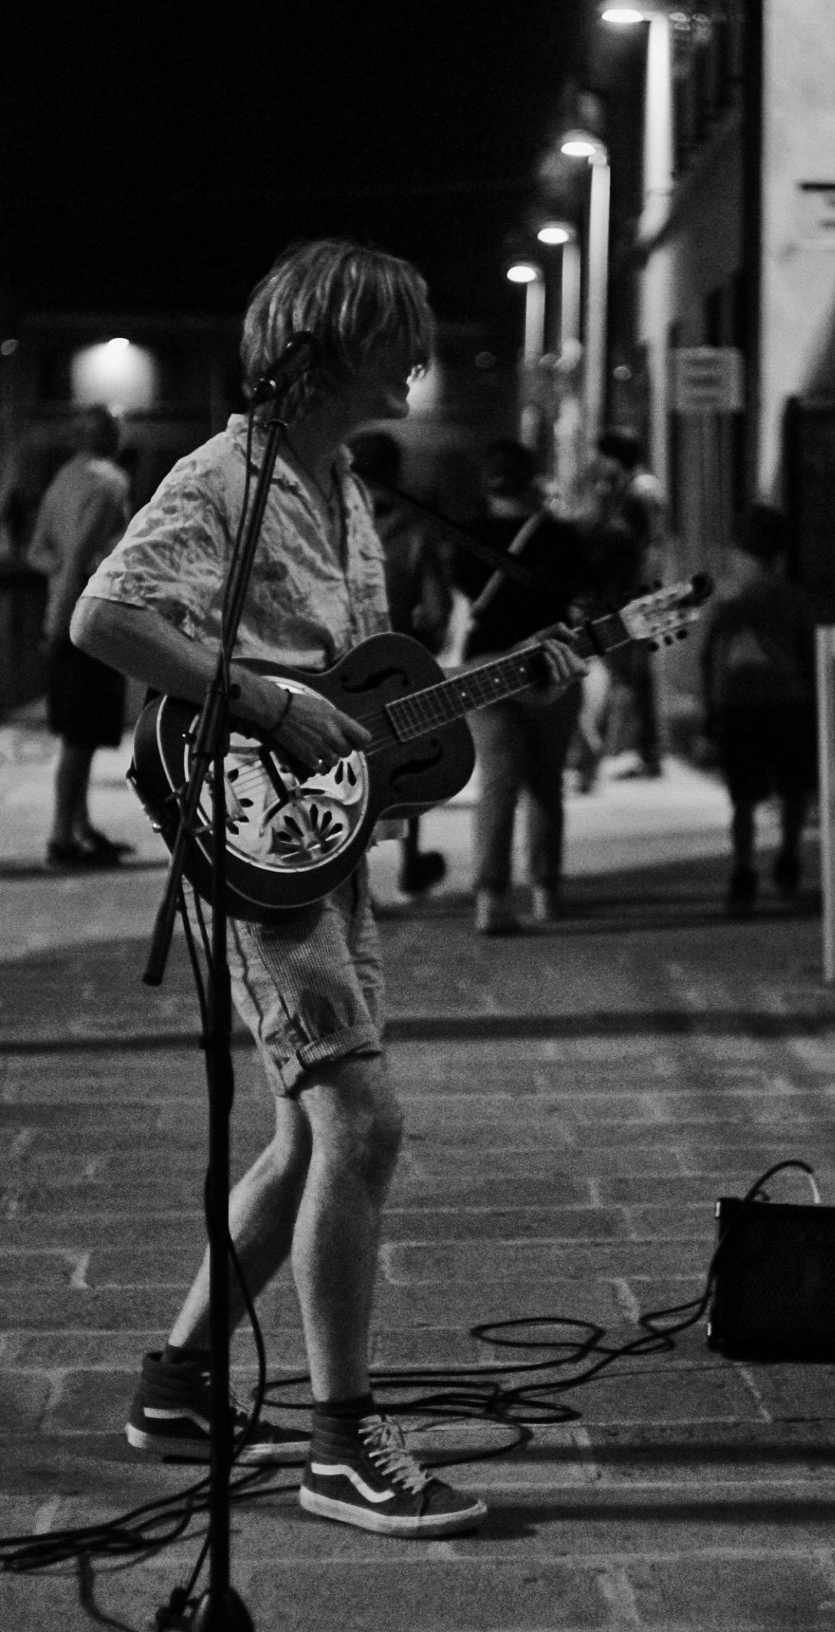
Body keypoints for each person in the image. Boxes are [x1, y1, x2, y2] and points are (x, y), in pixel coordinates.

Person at [70, 238, 585, 1539]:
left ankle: (180, 1383)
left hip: (323, 847)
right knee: (361, 1121)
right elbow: (106, 618)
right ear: (332, 344)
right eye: (398, 334)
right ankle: (340, 1447)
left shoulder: (344, 487)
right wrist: (260, 701)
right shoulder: (225, 479)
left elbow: (356, 695)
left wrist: (499, 680)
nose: (419, 357)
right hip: (255, 852)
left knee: (311, 1135)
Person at [450, 439, 591, 935]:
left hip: (486, 664)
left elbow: (459, 595)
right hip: (550, 662)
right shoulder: (561, 537)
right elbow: (578, 595)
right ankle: (546, 891)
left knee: (498, 781)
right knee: (546, 783)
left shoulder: (465, 536)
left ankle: (491, 899)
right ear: (531, 480)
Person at [25, 404, 134, 868]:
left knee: (78, 731)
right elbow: (77, 559)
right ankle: (61, 836)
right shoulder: (110, 482)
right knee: (82, 735)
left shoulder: (61, 481)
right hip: (91, 619)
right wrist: (70, 605)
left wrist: (58, 599)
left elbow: (38, 553)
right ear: (111, 437)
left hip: (65, 611)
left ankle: (80, 827)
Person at [699, 504, 817, 909]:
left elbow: (711, 658)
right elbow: (808, 653)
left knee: (743, 797)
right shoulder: (794, 598)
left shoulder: (728, 600)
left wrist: (711, 709)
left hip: (740, 703)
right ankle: (788, 858)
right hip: (788, 700)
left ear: (739, 550)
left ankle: (743, 870)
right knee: (793, 789)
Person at [351, 429, 452, 897]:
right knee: (408, 769)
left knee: (347, 774)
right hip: (400, 666)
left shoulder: (331, 524)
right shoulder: (416, 531)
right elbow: (436, 609)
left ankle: (353, 877)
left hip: (338, 667)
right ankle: (411, 867)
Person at [576, 427, 668, 782]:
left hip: (632, 595)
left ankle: (642, 751)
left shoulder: (637, 492)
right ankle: (639, 751)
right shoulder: (637, 489)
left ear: (616, 458)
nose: (600, 464)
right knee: (630, 673)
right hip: (634, 593)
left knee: (631, 673)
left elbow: (633, 546)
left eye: (604, 457)